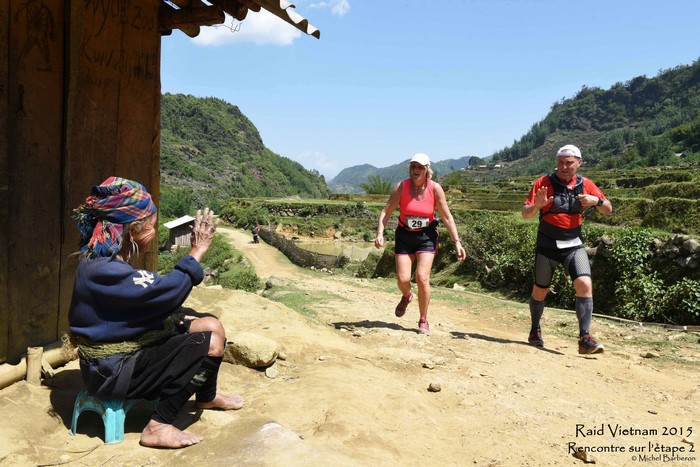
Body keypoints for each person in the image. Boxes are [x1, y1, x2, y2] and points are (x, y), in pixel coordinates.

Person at [67, 176, 243, 449]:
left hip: (117, 360)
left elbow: (140, 305)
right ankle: (158, 425)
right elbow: (166, 293)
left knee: (211, 324)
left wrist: (176, 317)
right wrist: (197, 250)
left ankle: (207, 396)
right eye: (151, 226)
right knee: (209, 344)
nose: (154, 232)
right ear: (132, 229)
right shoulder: (104, 270)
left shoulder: (106, 262)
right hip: (112, 372)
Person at [522, 145, 613, 354]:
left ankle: (585, 338)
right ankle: (535, 329)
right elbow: (525, 214)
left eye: (569, 163)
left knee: (585, 284)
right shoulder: (542, 183)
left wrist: (596, 201)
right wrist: (537, 206)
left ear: (579, 163)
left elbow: (608, 209)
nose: (564, 167)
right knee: (540, 290)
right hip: (547, 246)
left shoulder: (586, 184)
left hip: (573, 245)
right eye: (561, 162)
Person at [375, 153, 466, 335]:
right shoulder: (401, 187)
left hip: (426, 237)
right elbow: (386, 211)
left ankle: (423, 319)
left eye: (420, 167)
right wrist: (380, 232)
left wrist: (457, 242)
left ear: (426, 170)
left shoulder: (435, 188)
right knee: (403, 280)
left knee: (422, 277)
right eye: (413, 167)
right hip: (404, 236)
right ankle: (407, 295)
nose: (415, 170)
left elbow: (447, 216)